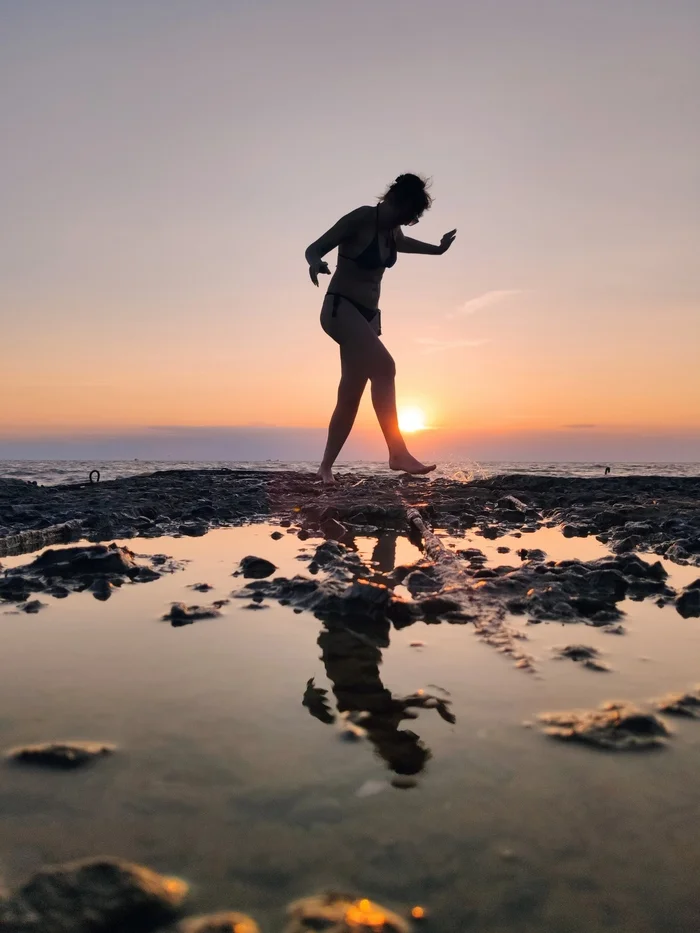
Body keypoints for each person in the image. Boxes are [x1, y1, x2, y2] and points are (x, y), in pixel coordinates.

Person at [305, 173, 456, 484]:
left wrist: (438, 250)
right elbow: (315, 247)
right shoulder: (361, 218)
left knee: (350, 393)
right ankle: (397, 452)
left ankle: (325, 468)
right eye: (404, 215)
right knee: (386, 368)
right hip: (339, 308)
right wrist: (315, 262)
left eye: (409, 219)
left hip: (368, 317)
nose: (404, 222)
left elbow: (405, 243)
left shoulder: (392, 231)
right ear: (391, 200)